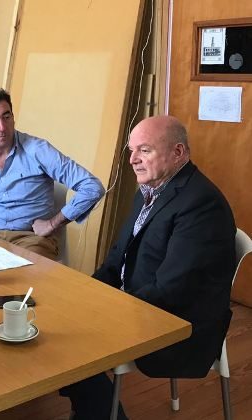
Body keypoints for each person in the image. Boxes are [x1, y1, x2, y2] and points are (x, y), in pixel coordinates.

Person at [59, 115, 236, 419]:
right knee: (61, 319)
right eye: (132, 150)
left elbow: (171, 289)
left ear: (178, 152)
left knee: (69, 343)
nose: (133, 160)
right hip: (141, 302)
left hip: (177, 325)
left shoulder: (201, 205)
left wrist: (107, 309)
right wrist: (86, 294)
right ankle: (90, 408)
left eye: (144, 150)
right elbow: (117, 259)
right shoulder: (150, 190)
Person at [0, 86, 105, 260]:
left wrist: (53, 223)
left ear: (13, 117)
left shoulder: (38, 151)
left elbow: (92, 187)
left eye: (6, 117)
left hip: (32, 239)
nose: (2, 127)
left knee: (20, 275)